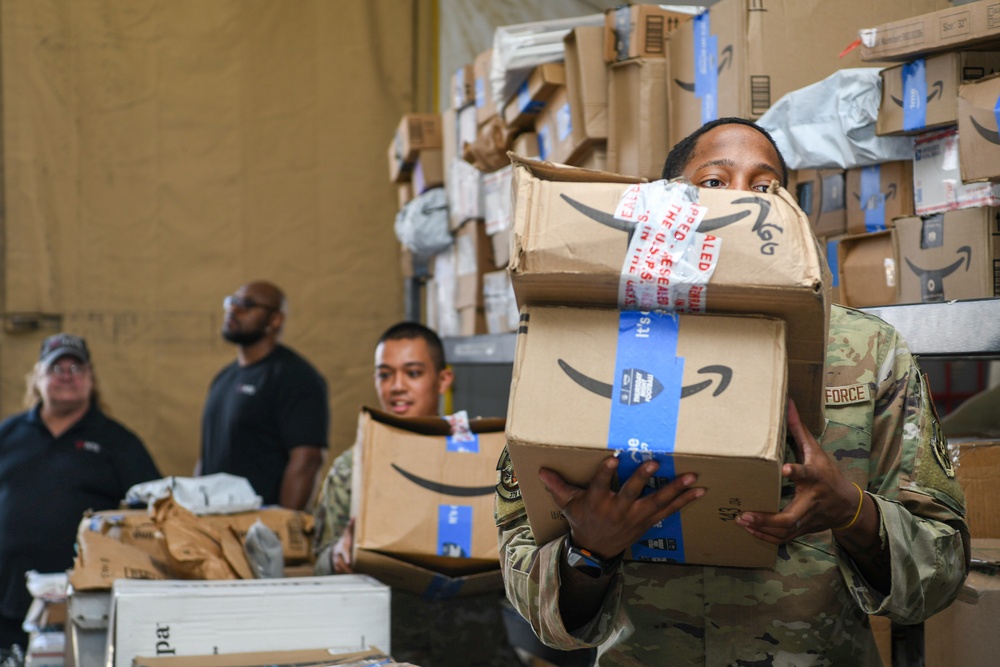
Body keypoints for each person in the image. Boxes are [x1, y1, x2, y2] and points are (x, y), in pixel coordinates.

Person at [495, 117, 970, 666]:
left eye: (766, 187)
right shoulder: (585, 346)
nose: (744, 200)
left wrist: (853, 512)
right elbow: (533, 601)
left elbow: (943, 572)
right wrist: (588, 552)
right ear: (669, 204)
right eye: (715, 182)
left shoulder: (868, 353)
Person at [313, 321, 516, 667]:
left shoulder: (484, 457)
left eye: (413, 372)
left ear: (443, 380)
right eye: (385, 375)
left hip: (476, 648)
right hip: (388, 649)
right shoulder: (354, 468)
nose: (397, 387)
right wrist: (337, 556)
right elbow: (319, 567)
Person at [0, 334, 161, 653]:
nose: (67, 375)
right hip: (8, 600)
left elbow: (153, 513)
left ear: (90, 378)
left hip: (83, 604)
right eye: (56, 368)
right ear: (38, 377)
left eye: (76, 367)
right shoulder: (9, 434)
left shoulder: (118, 442)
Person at [199, 280, 329, 509]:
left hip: (260, 528)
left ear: (275, 320)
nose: (234, 310)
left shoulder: (295, 376)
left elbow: (307, 459)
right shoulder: (223, 378)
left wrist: (282, 529)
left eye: (247, 304)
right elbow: (208, 456)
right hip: (212, 523)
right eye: (232, 302)